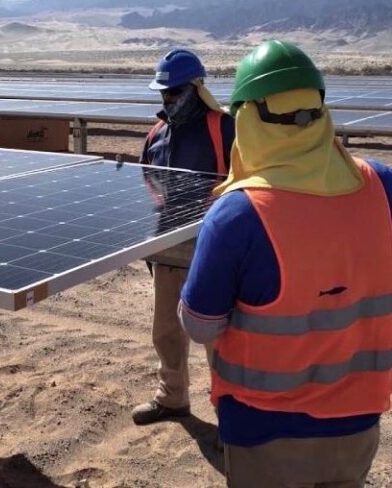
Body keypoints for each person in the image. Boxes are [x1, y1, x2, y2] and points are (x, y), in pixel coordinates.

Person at [179, 40, 392, 487]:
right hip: (358, 423)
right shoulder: (383, 187)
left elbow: (200, 326)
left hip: (265, 432)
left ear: (248, 120)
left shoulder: (237, 215)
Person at [132, 48, 235, 425]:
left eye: (175, 92)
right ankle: (172, 396)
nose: (168, 99)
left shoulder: (225, 128)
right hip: (168, 245)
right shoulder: (157, 134)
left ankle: (229, 412)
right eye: (164, 93)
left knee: (216, 335)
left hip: (214, 246)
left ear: (196, 88)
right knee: (166, 328)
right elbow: (149, 182)